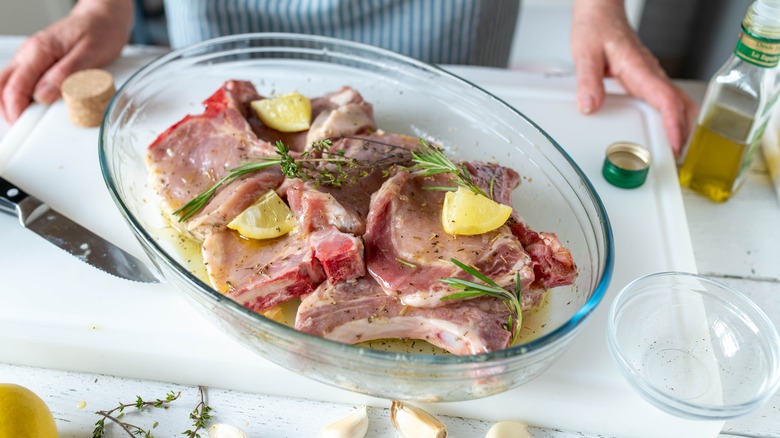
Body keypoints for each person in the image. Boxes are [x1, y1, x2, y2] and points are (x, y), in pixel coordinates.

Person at [0, 0, 697, 154]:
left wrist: (600, 9)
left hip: (439, 20)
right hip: (226, 20)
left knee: (434, 145)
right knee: (227, 145)